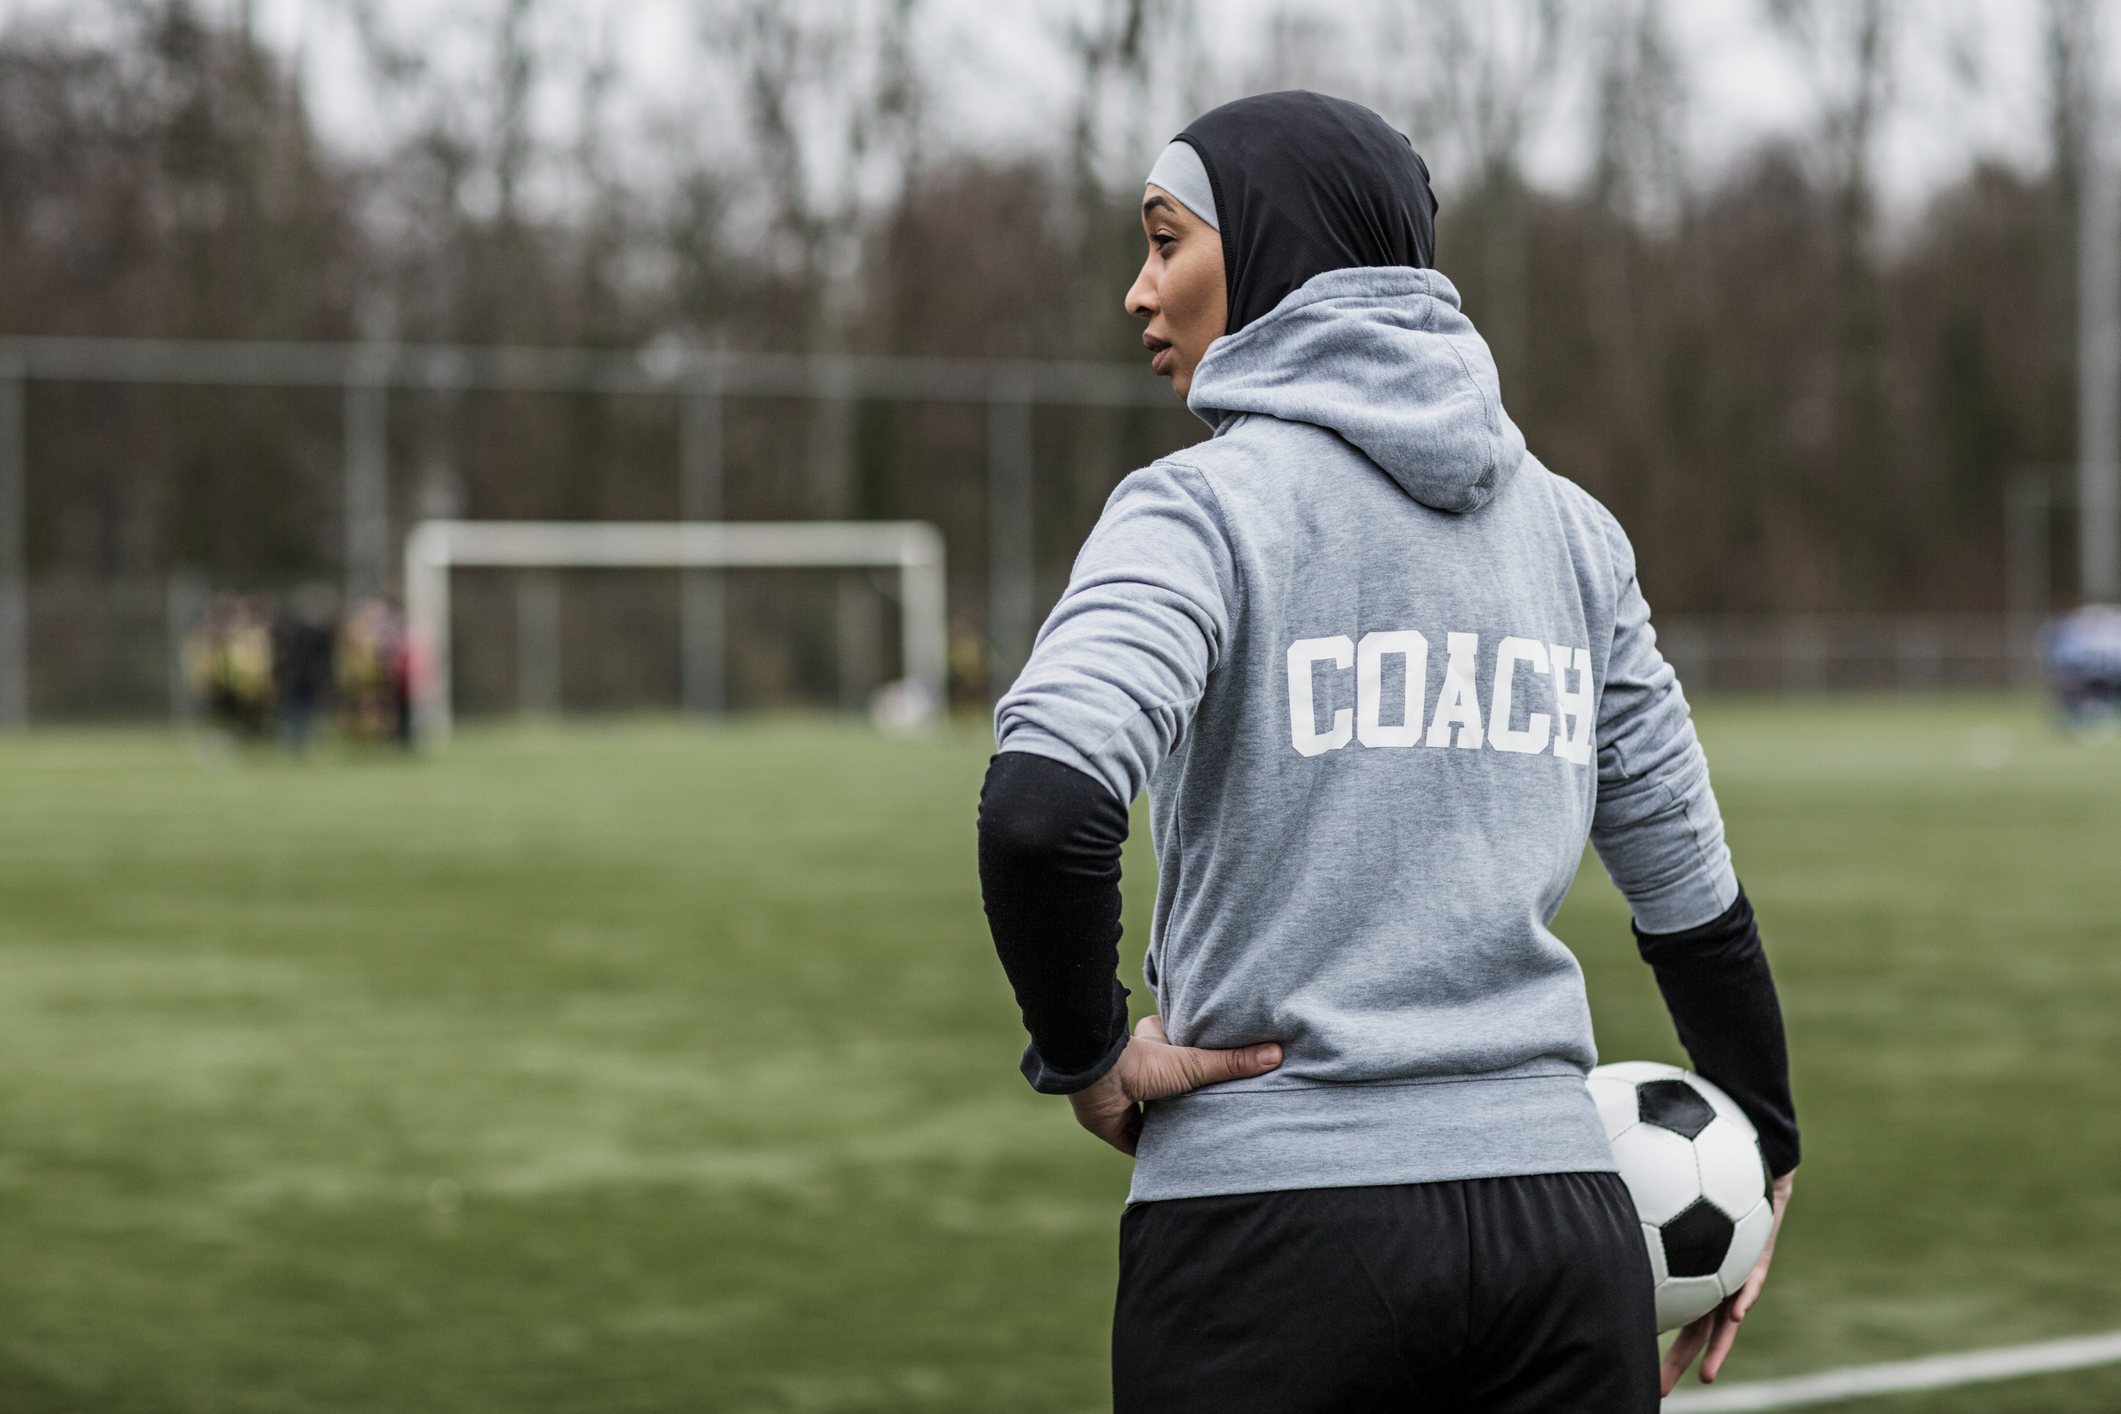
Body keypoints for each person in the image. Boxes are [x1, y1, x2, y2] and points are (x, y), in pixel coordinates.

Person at [976, 91, 1797, 1413]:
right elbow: (1687, 886)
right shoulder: (1577, 535)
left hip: (1266, 1240)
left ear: (1270, 248)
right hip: (1559, 1245)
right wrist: (1761, 1135)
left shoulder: (1199, 509)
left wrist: (1087, 1056)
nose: (1137, 291)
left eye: (1164, 239)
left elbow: (1040, 811)